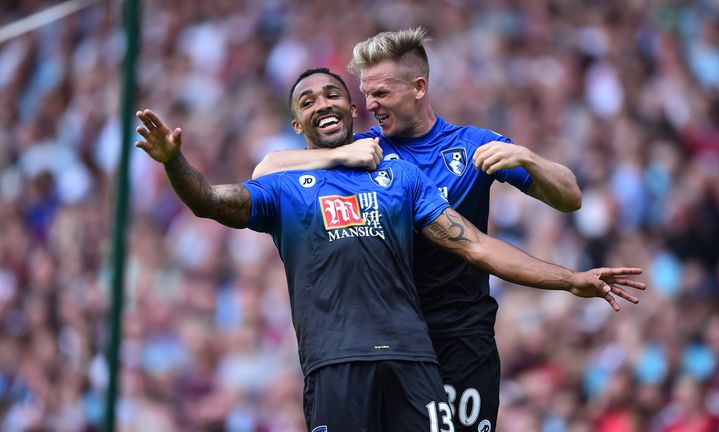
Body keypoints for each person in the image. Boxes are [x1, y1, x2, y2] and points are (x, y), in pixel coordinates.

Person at [137, 68, 644, 431]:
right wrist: (173, 164)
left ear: (354, 109)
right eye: (307, 102)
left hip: (413, 361)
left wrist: (571, 279)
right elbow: (210, 200)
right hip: (336, 365)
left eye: (332, 94)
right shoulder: (286, 187)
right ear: (298, 127)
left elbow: (478, 247)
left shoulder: (398, 176)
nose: (322, 104)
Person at [250, 29, 586, 430]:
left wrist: (528, 158)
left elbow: (569, 197)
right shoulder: (363, 149)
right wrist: (340, 153)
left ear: (418, 87)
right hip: (396, 344)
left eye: (380, 94)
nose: (369, 105)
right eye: (365, 93)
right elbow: (266, 170)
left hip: (461, 338)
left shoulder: (472, 147)